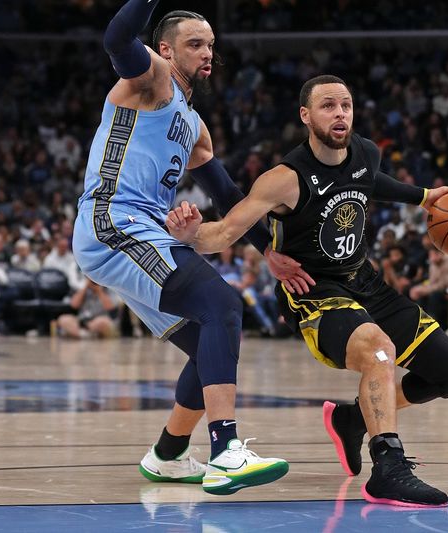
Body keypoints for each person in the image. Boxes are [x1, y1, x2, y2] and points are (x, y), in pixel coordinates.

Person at [166, 75, 448, 507]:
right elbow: (226, 231)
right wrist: (193, 234)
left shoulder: (366, 151)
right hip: (314, 291)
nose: (340, 114)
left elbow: (371, 182)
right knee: (379, 350)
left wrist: (423, 197)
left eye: (346, 105)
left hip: (364, 281)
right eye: (329, 106)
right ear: (306, 116)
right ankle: (387, 467)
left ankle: (352, 418)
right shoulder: (284, 178)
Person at [72, 0, 308, 495]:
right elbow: (116, 38)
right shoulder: (151, 79)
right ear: (164, 49)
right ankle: (225, 453)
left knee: (211, 344)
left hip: (142, 230)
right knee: (222, 305)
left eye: (211, 46)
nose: (206, 53)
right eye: (195, 44)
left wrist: (268, 249)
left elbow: (226, 196)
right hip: (113, 219)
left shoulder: (195, 126)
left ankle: (170, 453)